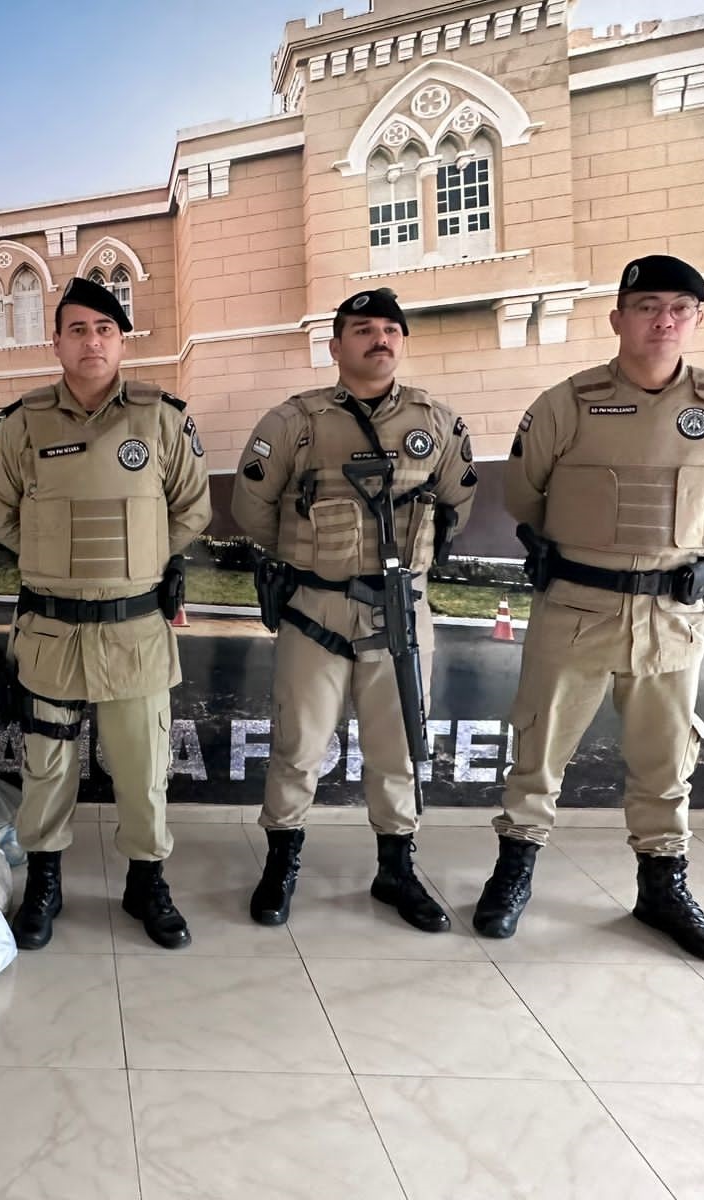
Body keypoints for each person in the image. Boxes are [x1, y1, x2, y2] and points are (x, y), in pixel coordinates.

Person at [473, 255, 704, 961]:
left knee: (666, 762)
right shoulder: (567, 403)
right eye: (648, 306)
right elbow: (525, 496)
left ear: (696, 318)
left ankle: (662, 887)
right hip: (577, 607)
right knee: (538, 751)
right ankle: (514, 874)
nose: (664, 320)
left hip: (672, 617)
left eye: (680, 309)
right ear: (619, 317)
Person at [231, 288, 476, 932]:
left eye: (391, 329)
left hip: (400, 613)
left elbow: (457, 506)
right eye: (362, 329)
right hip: (315, 608)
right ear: (335, 346)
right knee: (297, 744)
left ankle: (396, 867)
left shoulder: (438, 423)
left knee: (397, 749)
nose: (379, 339)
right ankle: (282, 862)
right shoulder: (296, 422)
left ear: (402, 342)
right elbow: (254, 507)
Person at [0, 275, 211, 950]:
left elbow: (193, 506)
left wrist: (138, 560)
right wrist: (61, 558)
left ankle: (147, 880)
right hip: (51, 631)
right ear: (56, 341)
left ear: (122, 342)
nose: (92, 341)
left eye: (105, 330)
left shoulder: (160, 417)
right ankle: (45, 881)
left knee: (143, 769)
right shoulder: (23, 423)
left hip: (136, 629)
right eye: (78, 329)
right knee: (46, 770)